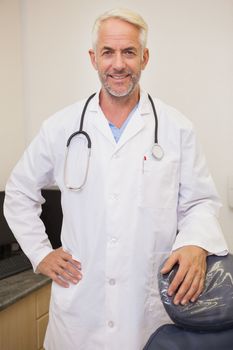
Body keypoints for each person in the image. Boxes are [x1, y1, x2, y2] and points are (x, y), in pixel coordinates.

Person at [4, 8, 228, 350]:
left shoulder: (176, 128)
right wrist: (39, 252)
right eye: (108, 52)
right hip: (80, 313)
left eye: (129, 52)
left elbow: (199, 201)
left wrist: (196, 243)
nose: (118, 64)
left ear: (145, 57)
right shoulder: (62, 127)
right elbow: (19, 191)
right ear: (93, 58)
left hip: (146, 311)